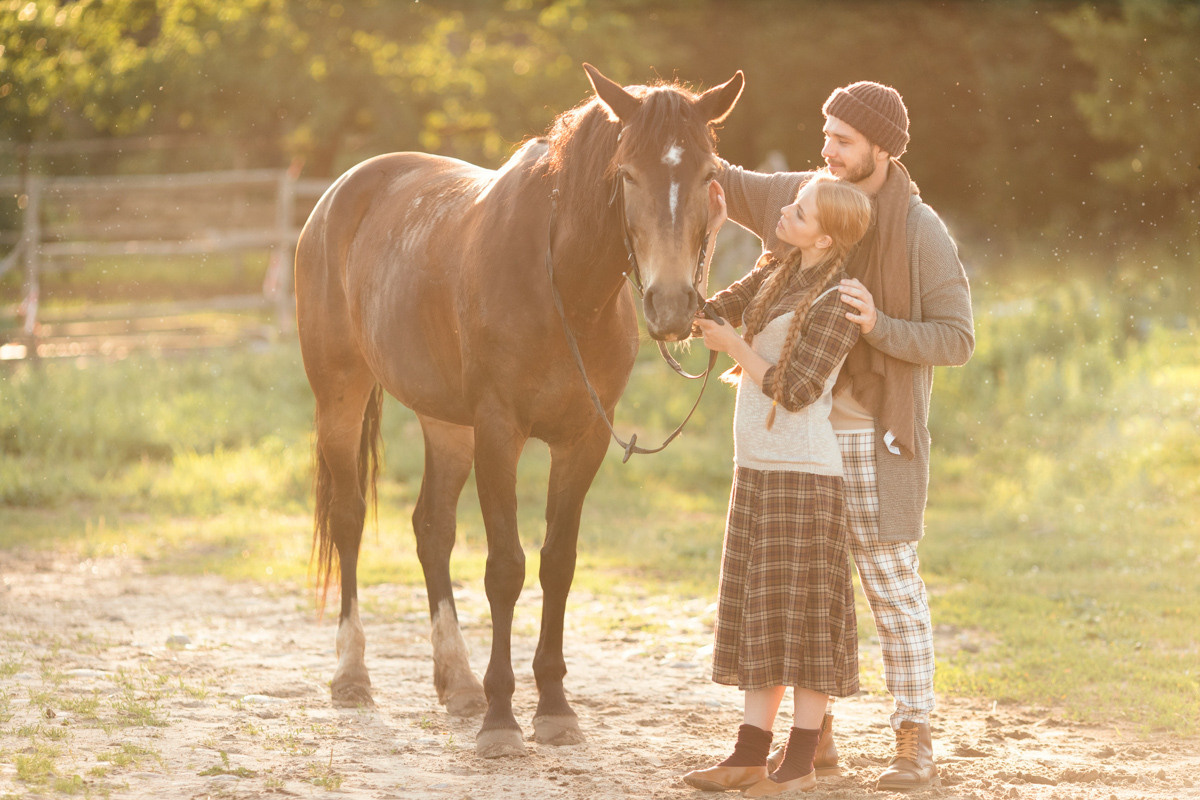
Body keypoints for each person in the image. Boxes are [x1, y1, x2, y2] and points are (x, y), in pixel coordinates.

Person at [711, 80, 976, 790]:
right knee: (803, 591)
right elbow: (721, 180)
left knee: (891, 587)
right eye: (825, 134)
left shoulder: (919, 230)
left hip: (869, 437)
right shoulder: (803, 194)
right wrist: (658, 118)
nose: (826, 150)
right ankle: (815, 740)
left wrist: (879, 326)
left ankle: (913, 738)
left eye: (843, 140)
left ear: (881, 150)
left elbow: (956, 339)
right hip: (795, 439)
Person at [681, 172, 872, 797]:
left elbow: (798, 390)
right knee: (762, 618)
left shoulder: (841, 301)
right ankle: (748, 755)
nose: (785, 211)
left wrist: (734, 345)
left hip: (805, 478)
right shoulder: (775, 270)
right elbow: (704, 313)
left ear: (826, 237)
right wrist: (708, 237)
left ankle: (800, 763)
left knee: (807, 625)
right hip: (758, 471)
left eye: (801, 211)